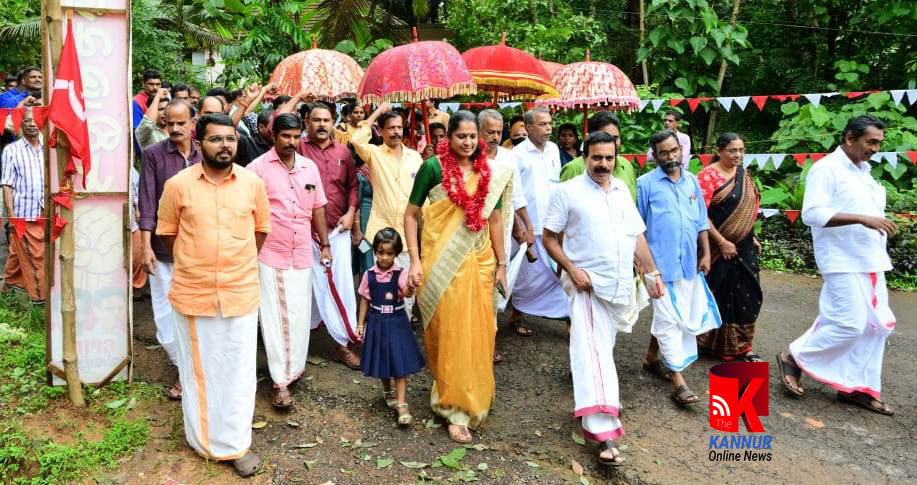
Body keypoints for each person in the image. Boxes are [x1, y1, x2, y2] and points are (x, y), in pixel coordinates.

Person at [156, 113, 270, 476]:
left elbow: (260, 232)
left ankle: (235, 444)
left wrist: (235, 264)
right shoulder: (178, 185)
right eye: (216, 139)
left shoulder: (252, 183)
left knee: (238, 372)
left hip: (240, 291)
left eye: (230, 139)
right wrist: (197, 261)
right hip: (195, 292)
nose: (225, 146)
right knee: (200, 371)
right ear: (199, 142)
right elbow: (168, 234)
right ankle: (204, 440)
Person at [543, 131, 664, 466]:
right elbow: (549, 238)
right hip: (587, 285)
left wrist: (652, 273)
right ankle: (603, 431)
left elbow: (637, 235)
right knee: (592, 353)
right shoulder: (566, 192)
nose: (603, 164)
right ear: (585, 157)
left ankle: (597, 402)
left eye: (609, 158)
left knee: (601, 352)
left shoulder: (622, 190)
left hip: (619, 285)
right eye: (596, 157)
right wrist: (571, 269)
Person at [404, 110, 513, 444]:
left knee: (479, 331)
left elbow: (495, 220)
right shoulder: (432, 168)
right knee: (448, 331)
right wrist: (414, 261)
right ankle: (452, 405)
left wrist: (502, 265)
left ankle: (473, 396)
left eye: (472, 137)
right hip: (441, 262)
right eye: (461, 136)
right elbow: (411, 215)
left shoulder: (490, 171)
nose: (467, 143)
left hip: (480, 261)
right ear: (448, 137)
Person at [777, 115, 897, 416]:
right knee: (849, 323)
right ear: (849, 138)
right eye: (871, 142)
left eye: (879, 143)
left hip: (871, 258)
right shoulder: (826, 169)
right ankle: (794, 357)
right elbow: (812, 213)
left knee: (874, 326)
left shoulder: (865, 173)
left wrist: (875, 223)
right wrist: (862, 219)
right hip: (841, 259)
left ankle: (858, 388)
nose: (875, 149)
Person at [247, 113, 331, 408]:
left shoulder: (309, 167)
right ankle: (280, 381)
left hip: (302, 251)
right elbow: (245, 211)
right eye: (285, 136)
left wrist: (325, 245)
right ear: (274, 135)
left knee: (298, 314)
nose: (291, 142)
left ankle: (294, 368)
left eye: (296, 136)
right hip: (271, 252)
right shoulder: (257, 169)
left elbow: (318, 207)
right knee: (275, 318)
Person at [637, 130, 720, 406]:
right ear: (655, 155)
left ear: (681, 150)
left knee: (673, 313)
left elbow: (701, 221)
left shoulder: (692, 181)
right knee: (668, 320)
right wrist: (641, 263)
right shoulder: (645, 184)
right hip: (658, 266)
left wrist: (705, 253)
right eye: (664, 153)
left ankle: (651, 358)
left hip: (687, 263)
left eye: (674, 151)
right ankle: (678, 382)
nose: (670, 156)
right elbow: (637, 228)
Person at [139, 100, 201, 400]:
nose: (175, 128)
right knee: (166, 315)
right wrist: (145, 246)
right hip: (163, 250)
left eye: (181, 123)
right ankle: (182, 367)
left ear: (193, 122)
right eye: (169, 123)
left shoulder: (205, 154)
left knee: (197, 314)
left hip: (200, 251)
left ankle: (193, 373)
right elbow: (147, 202)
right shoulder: (153, 155)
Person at [298, 103, 363, 369]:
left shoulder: (343, 152)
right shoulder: (297, 148)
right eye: (317, 120)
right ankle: (296, 345)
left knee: (342, 285)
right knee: (303, 287)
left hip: (338, 229)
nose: (322, 124)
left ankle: (342, 343)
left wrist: (351, 213)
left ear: (333, 122)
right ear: (307, 122)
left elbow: (352, 187)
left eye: (327, 120)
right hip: (304, 231)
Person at [350, 102, 424, 314]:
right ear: (380, 131)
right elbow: (356, 139)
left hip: (408, 236)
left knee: (407, 288)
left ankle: (403, 325)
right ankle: (380, 328)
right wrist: (377, 112)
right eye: (391, 128)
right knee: (381, 289)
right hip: (381, 235)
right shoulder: (374, 154)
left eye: (399, 127)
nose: (396, 132)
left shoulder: (415, 157)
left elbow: (423, 198)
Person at [695, 133, 763, 362]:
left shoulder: (743, 175)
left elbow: (749, 208)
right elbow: (700, 214)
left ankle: (743, 346)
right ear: (719, 151)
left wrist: (751, 236)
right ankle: (707, 344)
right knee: (718, 293)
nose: (738, 155)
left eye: (741, 150)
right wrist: (722, 242)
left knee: (747, 295)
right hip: (715, 248)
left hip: (744, 246)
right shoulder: (707, 176)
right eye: (733, 150)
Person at [478, 109, 536, 341]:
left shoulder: (508, 158)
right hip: (474, 232)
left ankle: (488, 340)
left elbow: (518, 197)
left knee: (496, 282)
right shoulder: (470, 156)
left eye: (498, 132)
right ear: (479, 131)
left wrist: (528, 226)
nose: (495, 137)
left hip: (501, 229)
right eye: (489, 132)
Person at [357, 228, 425, 426]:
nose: (385, 257)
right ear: (374, 251)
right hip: (377, 322)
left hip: (396, 322)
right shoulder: (369, 275)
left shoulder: (400, 273)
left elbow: (406, 292)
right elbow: (365, 300)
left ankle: (402, 404)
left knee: (398, 362)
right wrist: (360, 323)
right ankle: (388, 393)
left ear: (396, 254)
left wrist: (411, 287)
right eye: (380, 252)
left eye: (389, 253)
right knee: (383, 360)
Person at [510, 107, 568, 323]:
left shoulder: (553, 149)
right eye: (543, 124)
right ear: (529, 128)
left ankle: (569, 317)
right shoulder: (516, 155)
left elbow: (557, 184)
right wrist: (520, 226)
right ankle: (517, 313)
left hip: (552, 223)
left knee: (558, 271)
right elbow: (514, 193)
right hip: (528, 225)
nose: (549, 128)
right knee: (527, 276)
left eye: (550, 124)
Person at [1, 109, 45, 301]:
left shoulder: (49, 149)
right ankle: (40, 299)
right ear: (21, 124)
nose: (32, 124)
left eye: (35, 120)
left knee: (17, 254)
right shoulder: (12, 150)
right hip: (23, 214)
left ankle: (8, 293)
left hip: (44, 212)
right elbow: (7, 184)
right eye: (27, 121)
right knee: (36, 257)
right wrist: (11, 216)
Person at [559, 111, 637, 200]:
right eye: (605, 138)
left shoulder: (627, 166)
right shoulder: (573, 169)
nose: (611, 143)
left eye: (615, 138)